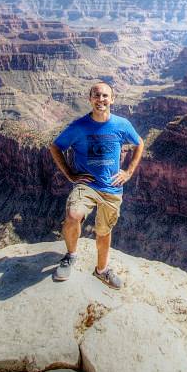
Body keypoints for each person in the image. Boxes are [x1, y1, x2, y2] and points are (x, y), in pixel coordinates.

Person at [49, 81, 144, 289]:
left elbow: (140, 143)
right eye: (96, 95)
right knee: (73, 215)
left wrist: (128, 172)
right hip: (87, 185)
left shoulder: (122, 124)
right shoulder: (79, 126)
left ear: (112, 99)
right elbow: (56, 147)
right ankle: (71, 256)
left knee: (103, 231)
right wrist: (71, 174)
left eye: (104, 96)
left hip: (111, 189)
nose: (100, 100)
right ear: (90, 98)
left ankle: (101, 270)